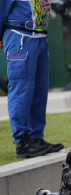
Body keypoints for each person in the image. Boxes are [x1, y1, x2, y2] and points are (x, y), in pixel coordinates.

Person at [0, 0, 66, 159]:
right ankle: (22, 141)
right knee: (21, 89)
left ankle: (36, 138)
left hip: (39, 35)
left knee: (39, 90)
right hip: (20, 35)